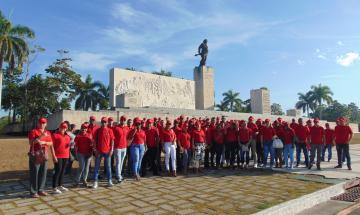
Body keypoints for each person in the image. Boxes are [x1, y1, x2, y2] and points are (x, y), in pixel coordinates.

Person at [28, 117, 55, 198]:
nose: (42, 124)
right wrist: (40, 137)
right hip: (36, 155)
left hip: (44, 154)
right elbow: (31, 142)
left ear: (46, 124)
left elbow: (51, 143)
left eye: (43, 123)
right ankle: (33, 192)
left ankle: (41, 190)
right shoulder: (34, 131)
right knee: (34, 173)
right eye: (40, 123)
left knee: (43, 173)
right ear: (38, 123)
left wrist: (44, 142)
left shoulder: (48, 132)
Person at [92, 117, 115, 188]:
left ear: (107, 123)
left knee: (108, 167)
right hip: (99, 152)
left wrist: (111, 150)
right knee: (97, 167)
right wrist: (95, 150)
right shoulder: (98, 130)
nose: (104, 123)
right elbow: (94, 141)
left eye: (105, 122)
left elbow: (112, 141)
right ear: (101, 122)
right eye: (102, 122)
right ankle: (95, 181)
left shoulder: (110, 130)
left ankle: (109, 180)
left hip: (107, 151)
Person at [51, 122, 71, 194]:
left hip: (66, 155)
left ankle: (60, 185)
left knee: (63, 171)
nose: (63, 129)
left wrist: (70, 145)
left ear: (66, 128)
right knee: (58, 170)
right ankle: (54, 187)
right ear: (59, 127)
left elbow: (68, 146)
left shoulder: (68, 136)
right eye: (62, 127)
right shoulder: (55, 135)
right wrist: (54, 156)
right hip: (58, 156)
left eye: (65, 128)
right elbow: (52, 146)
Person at [113, 116, 128, 183]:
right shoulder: (116, 128)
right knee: (118, 162)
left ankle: (118, 174)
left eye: (124, 120)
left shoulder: (126, 128)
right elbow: (112, 138)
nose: (123, 121)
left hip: (124, 147)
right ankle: (118, 176)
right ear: (120, 120)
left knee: (121, 162)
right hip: (117, 147)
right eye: (122, 120)